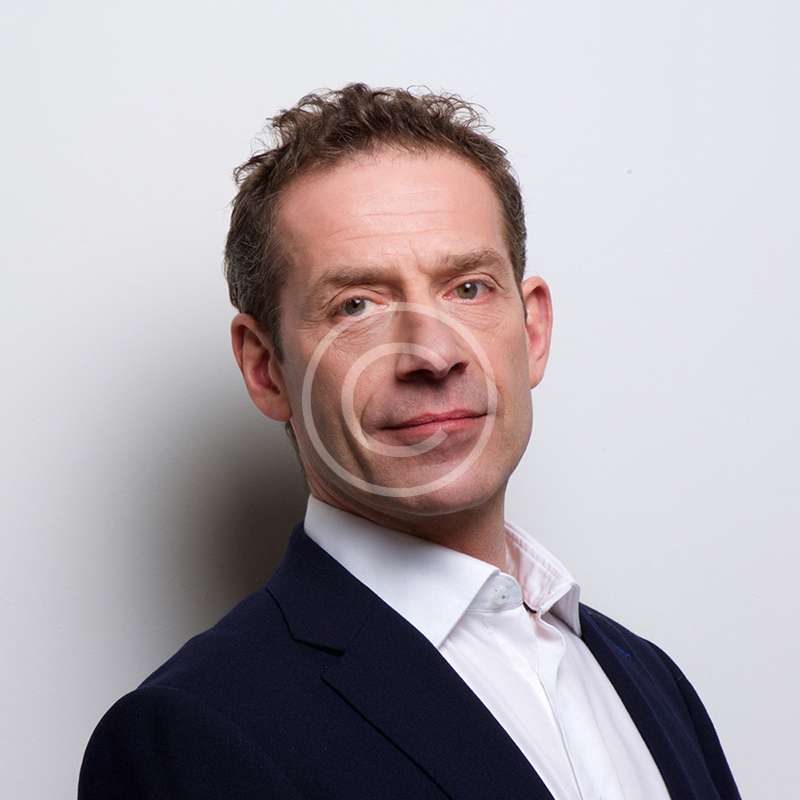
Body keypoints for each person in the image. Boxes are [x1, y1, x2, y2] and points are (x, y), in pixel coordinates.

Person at [78, 82, 742, 799]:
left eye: (469, 289)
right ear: (266, 369)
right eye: (356, 304)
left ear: (532, 330)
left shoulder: (651, 683)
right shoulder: (187, 735)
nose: (433, 354)